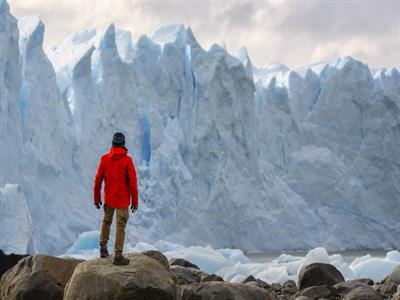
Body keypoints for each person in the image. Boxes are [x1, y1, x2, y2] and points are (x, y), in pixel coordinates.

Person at [93, 132, 138, 265]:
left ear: (112, 144)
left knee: (106, 221)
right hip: (122, 200)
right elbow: (133, 183)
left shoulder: (105, 158)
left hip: (109, 198)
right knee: (120, 225)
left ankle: (103, 248)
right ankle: (118, 255)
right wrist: (135, 201)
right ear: (123, 144)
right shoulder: (127, 160)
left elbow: (98, 180)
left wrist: (96, 197)